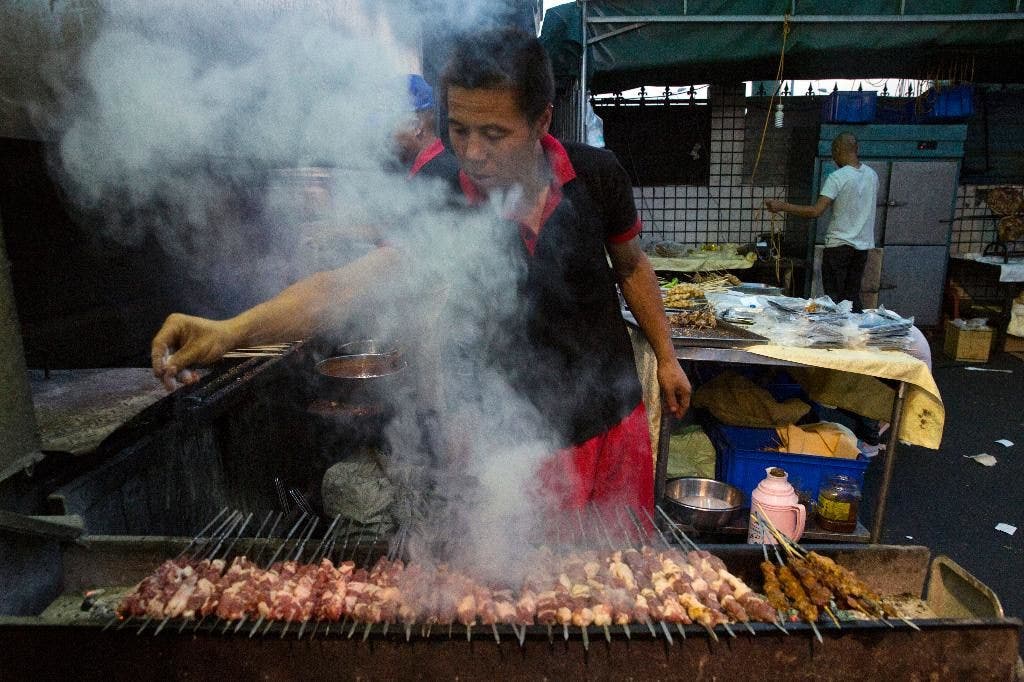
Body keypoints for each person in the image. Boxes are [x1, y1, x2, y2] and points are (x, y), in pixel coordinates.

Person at [151, 27, 690, 513]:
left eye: (494, 134)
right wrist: (230, 331)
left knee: (620, 595)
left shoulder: (597, 176)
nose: (472, 152)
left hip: (611, 421)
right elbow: (345, 286)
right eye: (458, 129)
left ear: (541, 120)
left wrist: (666, 357)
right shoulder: (442, 189)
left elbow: (632, 267)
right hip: (511, 440)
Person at [766, 132, 878, 312]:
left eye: (833, 153)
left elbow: (815, 211)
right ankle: (853, 334)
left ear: (837, 150)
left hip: (839, 246)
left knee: (833, 300)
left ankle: (835, 335)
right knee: (852, 295)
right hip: (862, 248)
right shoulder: (872, 175)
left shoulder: (838, 177)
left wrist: (781, 206)